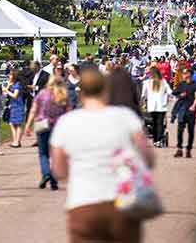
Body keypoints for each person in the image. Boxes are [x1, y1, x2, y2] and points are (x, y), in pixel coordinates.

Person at [50, 68, 154, 243]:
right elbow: (148, 159)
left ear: (81, 92)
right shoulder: (125, 117)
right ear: (106, 90)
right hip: (123, 203)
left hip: (84, 204)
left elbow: (59, 171)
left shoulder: (67, 122)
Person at [25, 75, 69, 191]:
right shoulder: (63, 95)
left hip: (43, 124)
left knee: (43, 153)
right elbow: (68, 113)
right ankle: (54, 181)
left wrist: (28, 125)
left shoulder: (42, 93)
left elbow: (33, 110)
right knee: (55, 154)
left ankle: (46, 173)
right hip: (58, 126)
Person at [172, 67, 196, 158]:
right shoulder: (181, 84)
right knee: (180, 130)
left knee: (190, 131)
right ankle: (179, 149)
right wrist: (180, 95)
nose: (183, 75)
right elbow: (174, 93)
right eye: (183, 73)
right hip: (182, 111)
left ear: (190, 75)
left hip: (191, 111)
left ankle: (188, 149)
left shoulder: (195, 85)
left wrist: (194, 106)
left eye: (185, 73)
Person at [141, 67, 170, 147]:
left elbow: (143, 95)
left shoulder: (147, 82)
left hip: (150, 105)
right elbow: (168, 93)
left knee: (152, 121)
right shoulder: (162, 82)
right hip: (160, 106)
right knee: (160, 122)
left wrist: (142, 103)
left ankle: (155, 139)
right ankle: (158, 139)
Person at [3, 69, 25, 147]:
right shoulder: (12, 84)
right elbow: (5, 91)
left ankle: (16, 141)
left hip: (18, 105)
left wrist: (7, 91)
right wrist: (8, 85)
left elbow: (15, 95)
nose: (9, 76)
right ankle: (16, 140)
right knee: (12, 123)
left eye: (11, 75)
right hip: (12, 105)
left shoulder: (17, 85)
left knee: (17, 124)